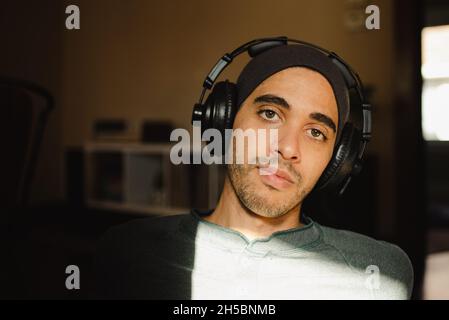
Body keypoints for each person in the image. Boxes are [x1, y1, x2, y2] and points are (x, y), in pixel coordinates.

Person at [93, 37, 414, 300]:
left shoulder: (380, 275)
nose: (288, 148)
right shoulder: (125, 251)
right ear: (223, 121)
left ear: (337, 161)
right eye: (270, 114)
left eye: (316, 132)